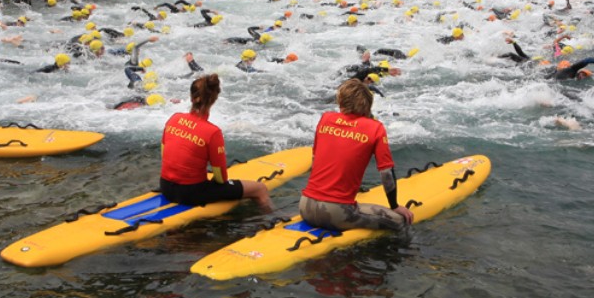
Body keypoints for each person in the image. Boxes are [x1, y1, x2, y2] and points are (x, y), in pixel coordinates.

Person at [299, 79, 414, 231]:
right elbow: (386, 173)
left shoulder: (325, 119)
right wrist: (394, 206)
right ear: (368, 104)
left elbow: (315, 160)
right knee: (401, 221)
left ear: (341, 101)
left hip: (305, 206)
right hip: (337, 213)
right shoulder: (375, 128)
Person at [159, 73, 271, 210]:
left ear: (191, 97)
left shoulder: (174, 118)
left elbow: (165, 155)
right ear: (214, 99)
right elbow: (220, 177)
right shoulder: (213, 132)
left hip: (165, 186)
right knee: (260, 189)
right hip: (190, 194)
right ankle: (273, 221)